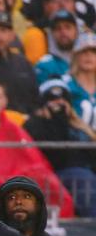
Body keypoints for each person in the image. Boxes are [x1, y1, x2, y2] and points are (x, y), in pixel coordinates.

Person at [0, 77, 76, 217]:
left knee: (55, 190)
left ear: (5, 101)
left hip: (17, 183)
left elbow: (35, 162)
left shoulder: (13, 129)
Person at [25, 80, 96, 217]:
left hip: (86, 172)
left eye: (63, 99)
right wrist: (58, 119)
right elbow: (57, 155)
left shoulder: (79, 125)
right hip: (58, 172)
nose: (59, 103)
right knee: (83, 180)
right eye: (53, 99)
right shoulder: (34, 123)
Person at [34, 9, 79, 84]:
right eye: (58, 28)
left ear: (77, 31)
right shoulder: (44, 65)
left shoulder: (88, 62)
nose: (63, 32)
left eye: (68, 27)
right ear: (51, 34)